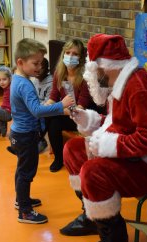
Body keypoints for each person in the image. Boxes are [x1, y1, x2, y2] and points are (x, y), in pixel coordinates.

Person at [60, 34, 147, 242]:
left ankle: (114, 241)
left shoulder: (140, 88)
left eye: (93, 67)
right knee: (73, 149)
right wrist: (91, 120)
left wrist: (107, 146)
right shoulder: (120, 83)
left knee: (93, 171)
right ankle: (95, 218)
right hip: (139, 157)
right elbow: (119, 124)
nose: (90, 73)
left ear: (105, 66)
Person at [9, 38, 74, 224]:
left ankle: (21, 200)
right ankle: (25, 212)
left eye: (41, 62)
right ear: (20, 62)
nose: (39, 67)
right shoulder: (24, 85)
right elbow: (37, 111)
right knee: (26, 172)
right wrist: (61, 105)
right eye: (35, 63)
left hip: (19, 133)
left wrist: (60, 109)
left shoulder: (19, 78)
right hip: (25, 135)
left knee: (22, 169)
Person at [45, 39, 93, 172]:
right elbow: (53, 97)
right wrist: (45, 107)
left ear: (81, 57)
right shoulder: (59, 73)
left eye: (75, 54)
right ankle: (59, 159)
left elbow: (81, 107)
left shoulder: (85, 77)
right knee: (51, 121)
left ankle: (37, 139)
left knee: (51, 117)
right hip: (64, 112)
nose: (70, 56)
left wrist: (56, 110)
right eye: (68, 52)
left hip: (80, 117)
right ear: (63, 54)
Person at [31, 57, 52, 153]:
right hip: (37, 109)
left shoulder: (51, 82)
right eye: (36, 66)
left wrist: (35, 108)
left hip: (46, 112)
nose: (38, 70)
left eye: (42, 67)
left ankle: (40, 140)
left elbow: (49, 102)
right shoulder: (35, 81)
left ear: (47, 69)